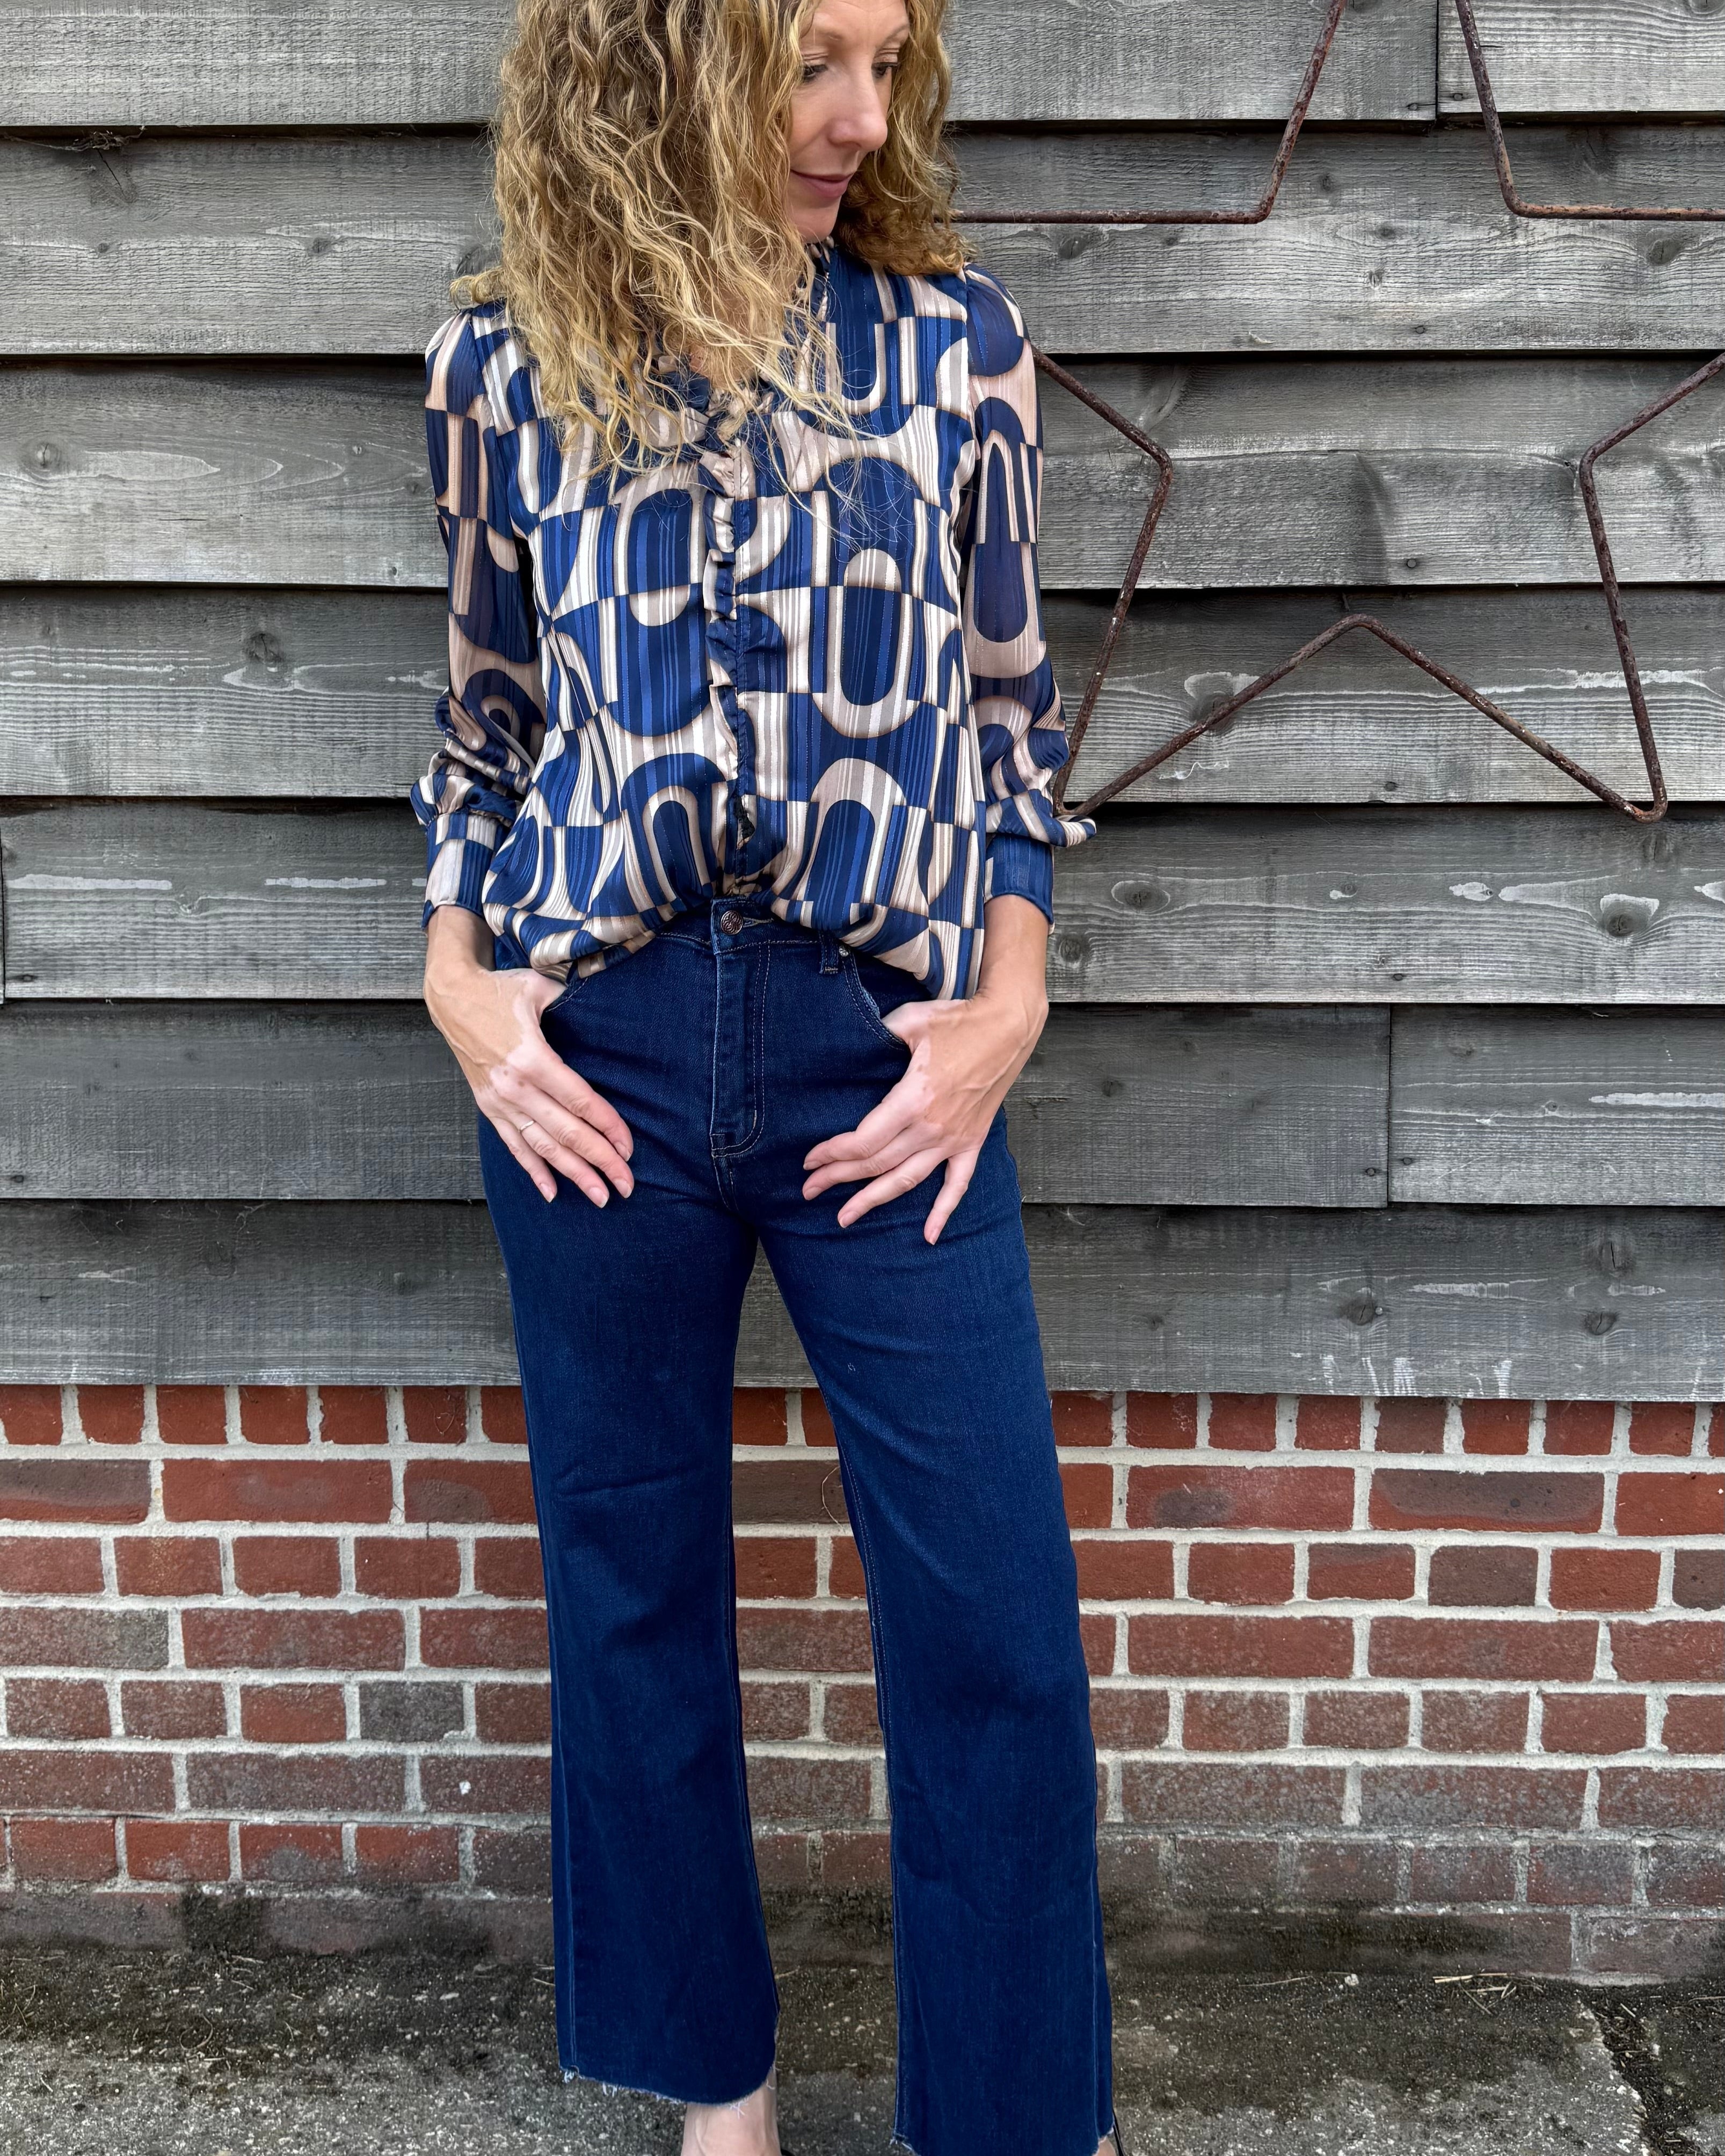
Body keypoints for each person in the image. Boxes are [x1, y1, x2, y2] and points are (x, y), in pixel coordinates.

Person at [411, 1, 1119, 2150]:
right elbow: (482, 728)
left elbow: (1012, 726)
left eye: (886, 64)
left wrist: (1015, 1002)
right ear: (662, 60)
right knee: (629, 1594)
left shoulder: (956, 345)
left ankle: (1011, 2114)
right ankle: (716, 2088)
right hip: (593, 1053)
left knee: (992, 1615)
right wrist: (465, 991)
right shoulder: (503, 373)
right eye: (812, 56)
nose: (855, 117)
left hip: (880, 1057)